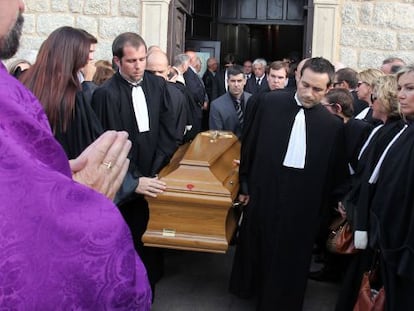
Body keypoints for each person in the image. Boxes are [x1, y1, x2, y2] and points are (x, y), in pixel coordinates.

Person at [0, 1, 152, 309]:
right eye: (89, 56)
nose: (21, 4)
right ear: (74, 58)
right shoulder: (75, 98)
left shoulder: (22, 87)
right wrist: (83, 194)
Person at [229, 57, 348, 311]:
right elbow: (249, 144)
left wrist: (328, 208)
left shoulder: (333, 126)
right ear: (297, 78)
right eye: (305, 85)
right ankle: (253, 290)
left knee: (292, 257)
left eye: (317, 89)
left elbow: (333, 172)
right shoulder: (267, 103)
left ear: (329, 89)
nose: (309, 93)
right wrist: (245, 184)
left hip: (304, 203)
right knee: (258, 245)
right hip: (265, 191)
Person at [91, 32, 178, 297]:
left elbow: (168, 128)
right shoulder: (105, 95)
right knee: (127, 244)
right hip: (124, 183)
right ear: (117, 61)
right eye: (131, 61)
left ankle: (149, 292)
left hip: (155, 172)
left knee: (151, 242)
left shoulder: (158, 86)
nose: (138, 65)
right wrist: (134, 180)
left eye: (142, 59)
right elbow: (104, 145)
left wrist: (158, 168)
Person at [334, 74, 405, 311]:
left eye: (375, 95)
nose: (371, 101)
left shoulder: (390, 132)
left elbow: (372, 178)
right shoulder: (387, 130)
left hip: (377, 229)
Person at [209, 65, 251, 139]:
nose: (236, 85)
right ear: (227, 81)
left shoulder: (253, 100)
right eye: (233, 81)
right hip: (227, 147)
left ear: (245, 81)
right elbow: (216, 135)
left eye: (239, 81)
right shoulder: (216, 105)